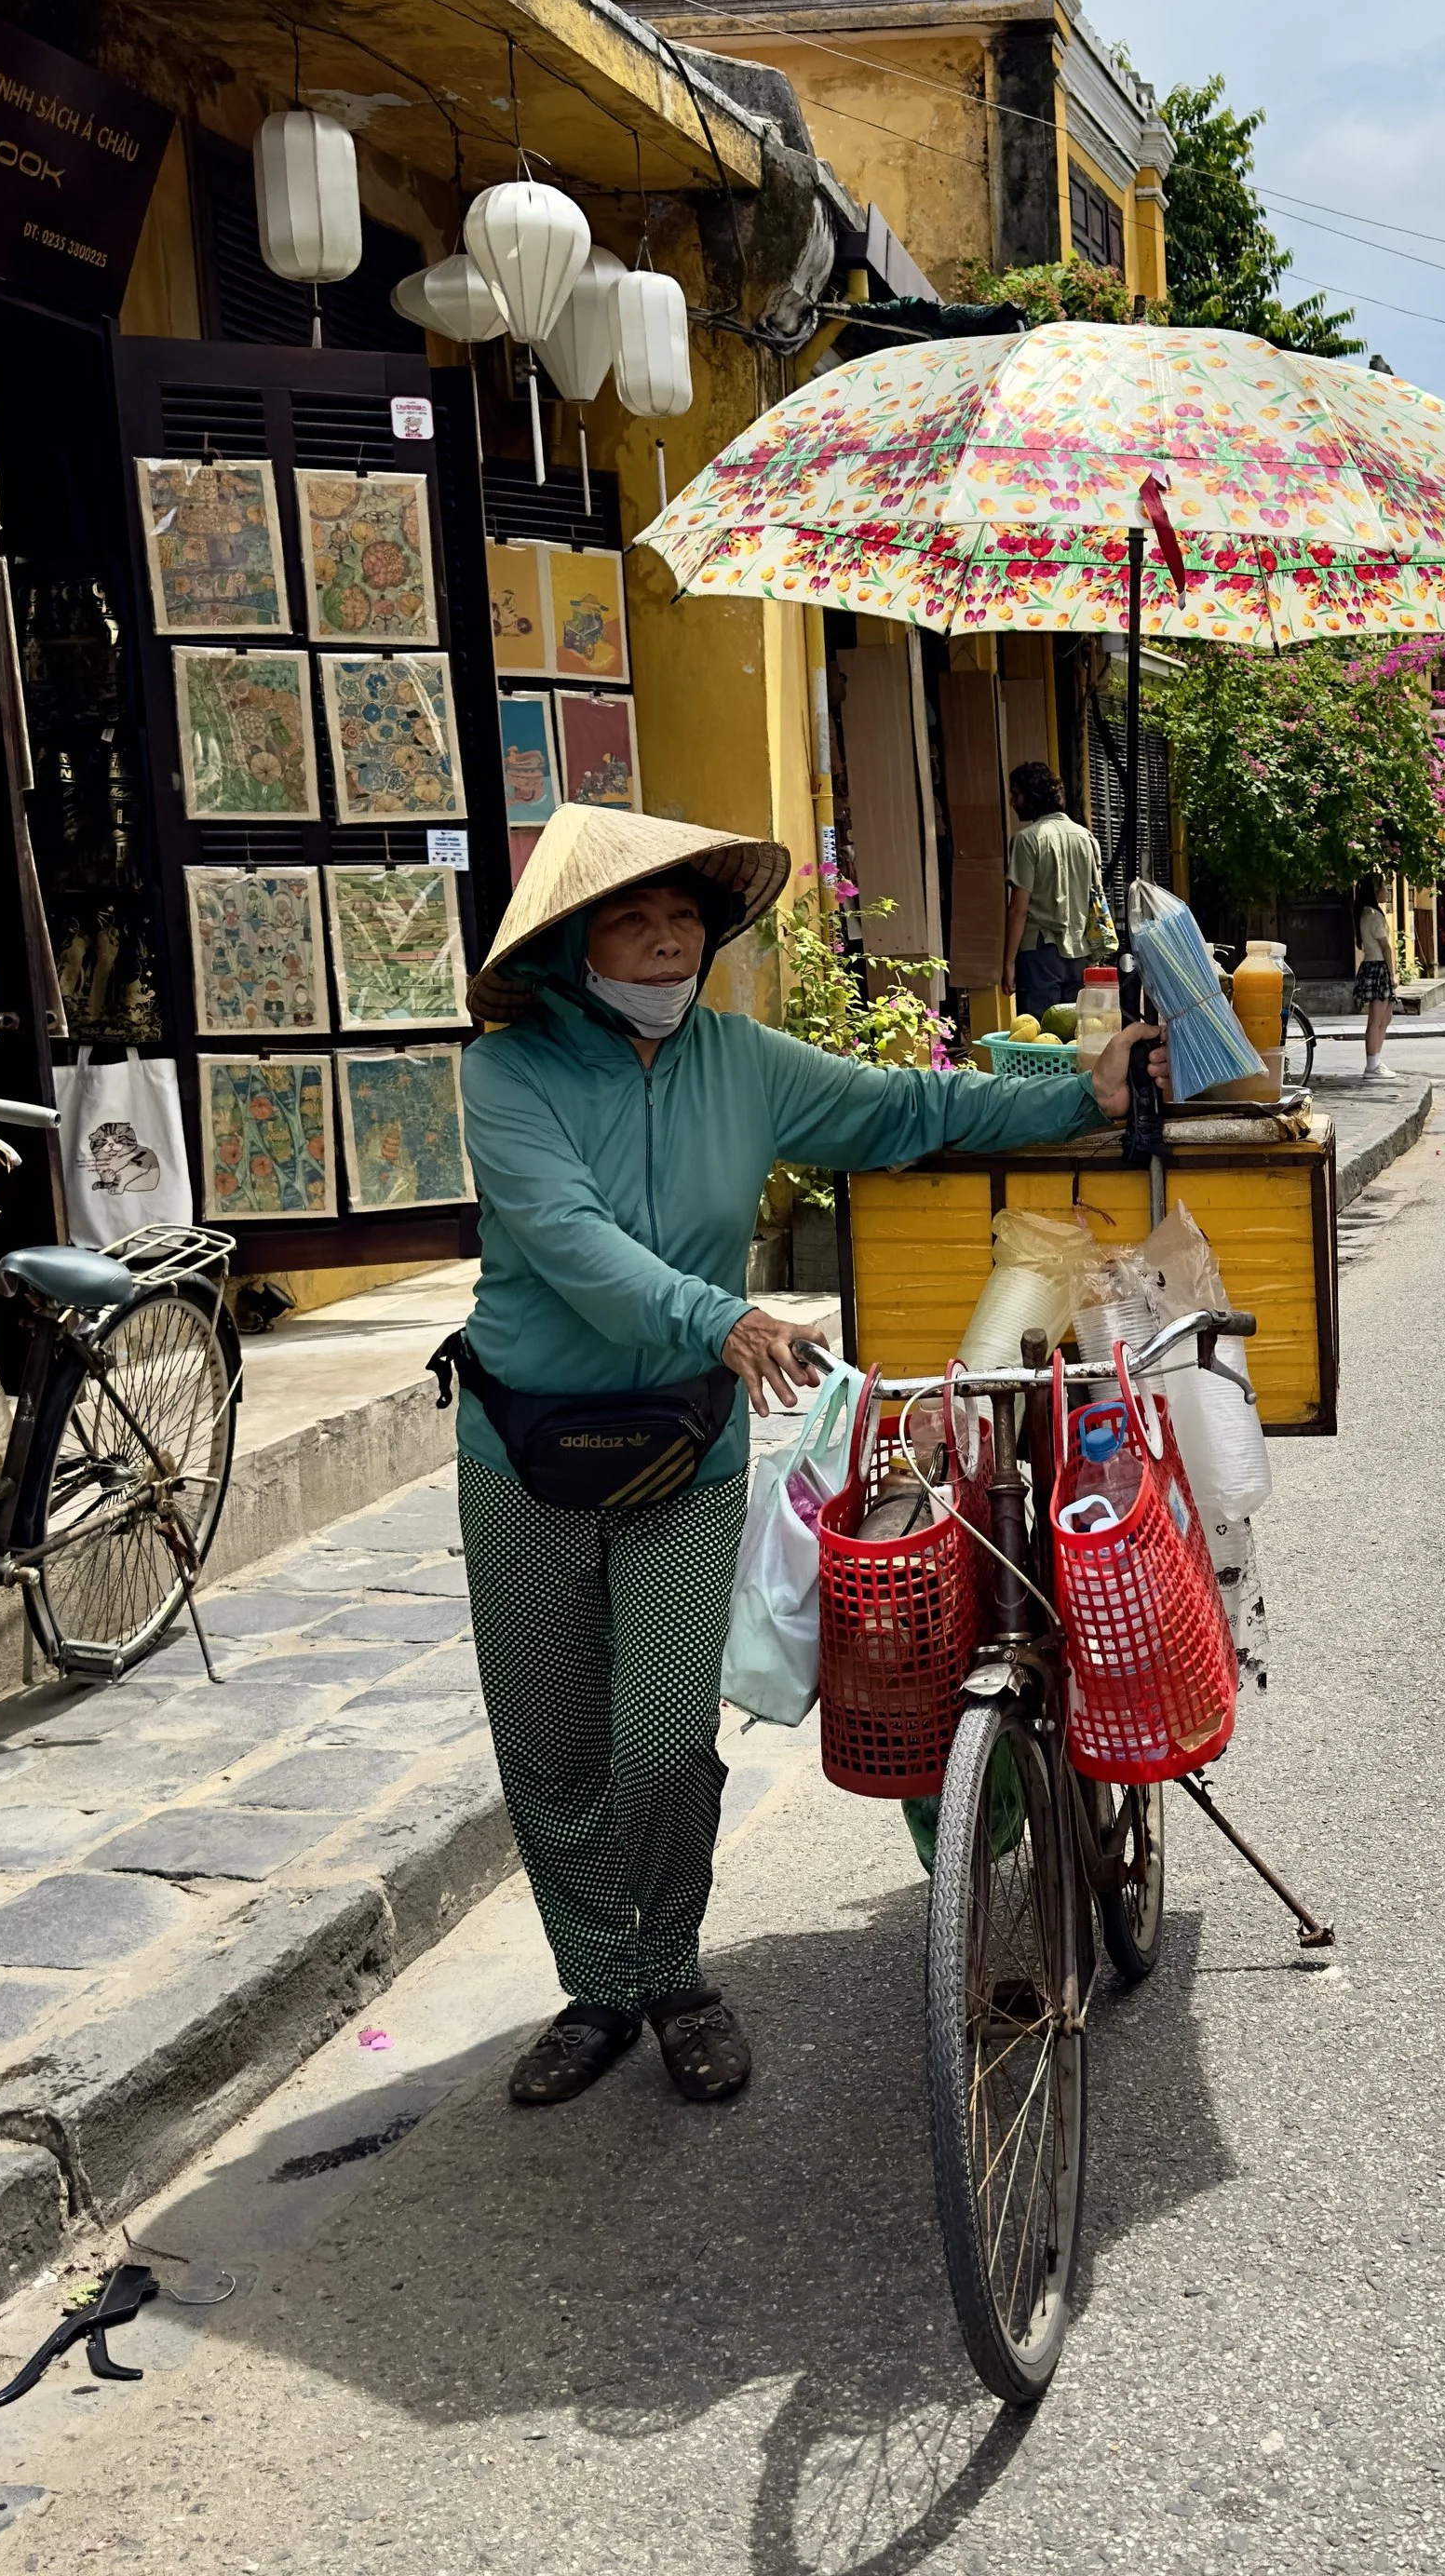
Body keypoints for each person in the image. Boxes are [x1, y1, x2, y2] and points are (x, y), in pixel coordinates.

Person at [452, 805, 1169, 2110]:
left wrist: (1082, 1091)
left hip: (689, 1442)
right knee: (550, 1748)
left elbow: (901, 1108)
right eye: (632, 919)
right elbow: (562, 1235)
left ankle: (670, 1974)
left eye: (684, 919)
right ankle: (598, 1982)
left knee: (662, 1740)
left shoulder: (740, 1059)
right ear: (570, 946)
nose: (665, 943)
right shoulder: (505, 1076)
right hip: (521, 1443)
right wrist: (719, 1315)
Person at [1000, 760, 1110, 1018]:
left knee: (1040, 1037)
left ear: (1031, 796)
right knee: (1073, 1032)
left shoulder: (1027, 840)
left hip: (1040, 953)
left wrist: (1008, 963)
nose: (1013, 803)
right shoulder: (1086, 837)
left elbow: (1018, 909)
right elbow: (1096, 898)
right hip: (1079, 953)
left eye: (1016, 794)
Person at [1352, 875, 1398, 1083]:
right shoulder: (1372, 914)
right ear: (1374, 890)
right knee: (1376, 1018)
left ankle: (1376, 1060)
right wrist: (1393, 972)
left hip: (1374, 965)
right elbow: (1386, 947)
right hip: (1379, 967)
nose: (1386, 891)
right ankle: (1372, 1064)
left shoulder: (1366, 913)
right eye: (1383, 887)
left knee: (1385, 1017)